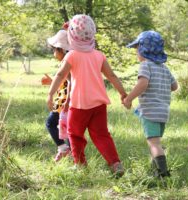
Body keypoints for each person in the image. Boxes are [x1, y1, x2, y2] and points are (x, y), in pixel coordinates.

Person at [46, 14, 127, 177]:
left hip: (79, 105)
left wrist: (50, 94)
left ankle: (81, 165)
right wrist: (123, 93)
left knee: (75, 134)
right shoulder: (99, 55)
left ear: (71, 37)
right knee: (102, 135)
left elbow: (61, 75)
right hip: (99, 104)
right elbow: (112, 76)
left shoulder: (72, 55)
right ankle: (115, 163)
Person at [123, 31, 178, 177]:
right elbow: (175, 86)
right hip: (163, 112)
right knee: (156, 142)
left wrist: (129, 99)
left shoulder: (145, 65)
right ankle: (155, 170)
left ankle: (162, 173)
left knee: (153, 144)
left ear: (143, 49)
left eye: (137, 49)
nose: (136, 53)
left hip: (150, 111)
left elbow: (143, 83)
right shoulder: (164, 68)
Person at [42, 29, 71, 162]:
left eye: (55, 50)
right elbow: (63, 81)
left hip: (64, 101)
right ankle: (68, 150)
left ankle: (64, 148)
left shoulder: (68, 62)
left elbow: (70, 82)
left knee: (51, 123)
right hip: (65, 100)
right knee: (68, 126)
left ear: (61, 49)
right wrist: (51, 82)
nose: (54, 53)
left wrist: (66, 102)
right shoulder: (68, 61)